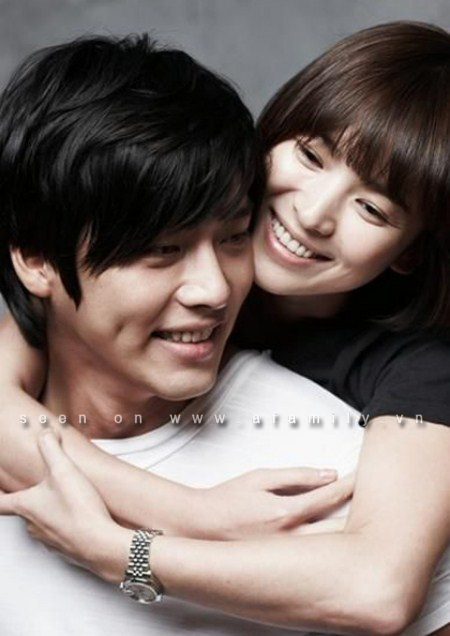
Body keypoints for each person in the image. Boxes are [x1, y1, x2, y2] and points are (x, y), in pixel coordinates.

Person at [0, 20, 450, 635]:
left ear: (410, 252)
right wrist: (192, 514)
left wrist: (119, 553)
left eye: (372, 208)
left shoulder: (413, 376)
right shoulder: (106, 283)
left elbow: (377, 587)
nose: (313, 213)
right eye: (310, 156)